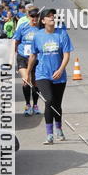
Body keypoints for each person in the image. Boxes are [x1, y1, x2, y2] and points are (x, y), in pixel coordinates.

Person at [26, 8, 73, 144]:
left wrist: (61, 69)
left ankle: (59, 129)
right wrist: (28, 73)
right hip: (42, 74)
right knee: (49, 100)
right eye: (49, 16)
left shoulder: (62, 34)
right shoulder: (38, 36)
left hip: (59, 75)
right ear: (43, 20)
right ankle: (49, 134)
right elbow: (33, 55)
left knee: (57, 104)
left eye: (53, 16)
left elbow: (66, 54)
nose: (52, 17)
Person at [13, 8, 42, 116]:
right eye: (32, 16)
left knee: (35, 82)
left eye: (36, 16)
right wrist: (12, 56)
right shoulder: (23, 26)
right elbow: (15, 41)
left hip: (36, 58)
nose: (35, 18)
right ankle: (27, 105)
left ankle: (35, 105)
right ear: (28, 16)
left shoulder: (40, 28)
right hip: (23, 56)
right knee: (26, 80)